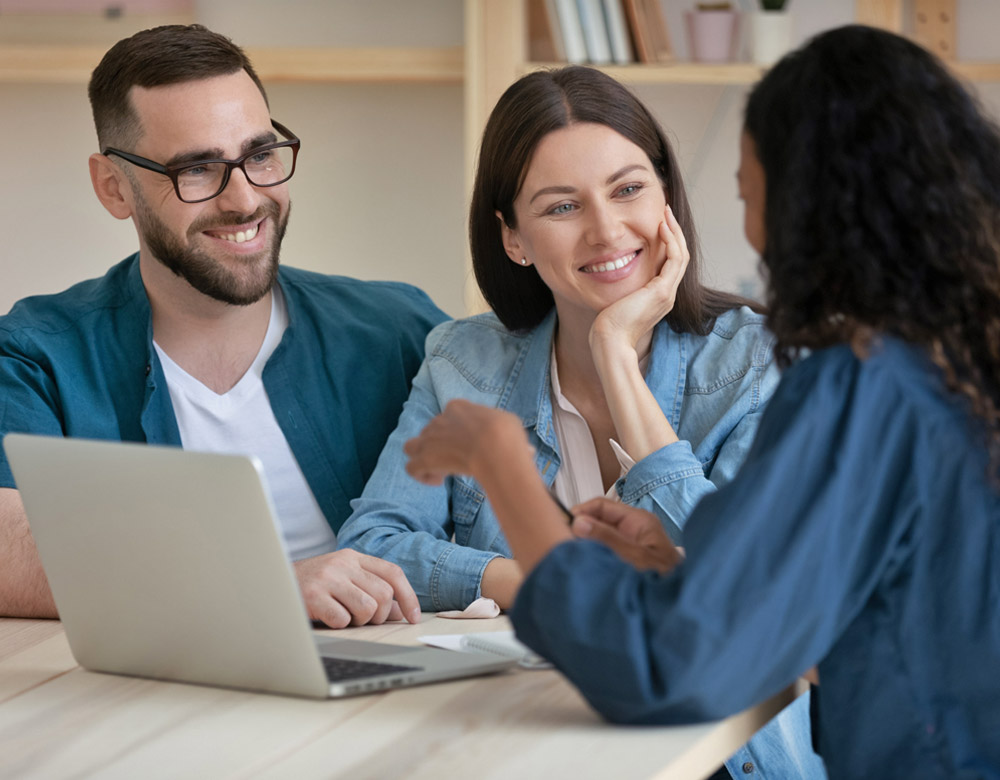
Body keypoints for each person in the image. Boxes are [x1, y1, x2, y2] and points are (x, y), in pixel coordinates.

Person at [404, 24, 1000, 779]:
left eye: (751, 198)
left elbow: (668, 673)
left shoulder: (856, 389)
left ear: (808, 213)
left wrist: (503, 468)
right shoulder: (954, 363)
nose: (751, 233)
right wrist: (685, 560)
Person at [341, 66, 824, 779]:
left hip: (724, 756)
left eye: (629, 189)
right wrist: (525, 577)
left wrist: (615, 357)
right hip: (534, 739)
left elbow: (748, 595)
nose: (606, 231)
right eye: (562, 207)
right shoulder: (463, 361)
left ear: (666, 198)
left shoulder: (757, 361)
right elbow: (376, 545)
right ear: (513, 239)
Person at [0, 24, 448, 629]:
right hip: (147, 705)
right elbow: (8, 551)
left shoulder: (401, 332)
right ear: (114, 187)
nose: (243, 199)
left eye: (260, 156)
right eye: (198, 169)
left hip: (387, 696)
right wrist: (262, 587)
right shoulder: (36, 357)